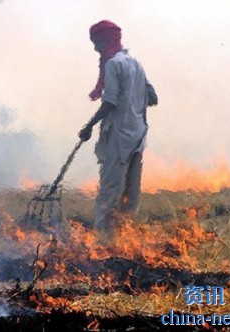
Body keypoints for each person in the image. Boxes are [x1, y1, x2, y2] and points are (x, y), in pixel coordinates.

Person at [78, 20, 158, 241]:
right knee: (131, 194)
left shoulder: (114, 64)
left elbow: (110, 102)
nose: (96, 49)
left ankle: (103, 242)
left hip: (118, 137)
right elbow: (153, 97)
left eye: (98, 44)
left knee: (110, 191)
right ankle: (124, 239)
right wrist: (134, 99)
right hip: (138, 137)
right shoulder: (135, 63)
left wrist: (89, 126)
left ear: (108, 41)